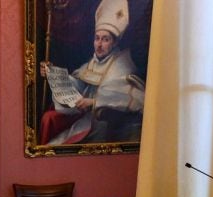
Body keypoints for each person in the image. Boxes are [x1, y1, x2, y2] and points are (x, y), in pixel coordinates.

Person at [40, 0, 145, 144]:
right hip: (84, 120)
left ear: (114, 43)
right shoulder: (92, 62)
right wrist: (52, 73)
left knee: (61, 144)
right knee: (53, 142)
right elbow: (78, 87)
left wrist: (95, 102)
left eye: (105, 39)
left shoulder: (122, 64)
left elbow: (136, 100)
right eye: (97, 39)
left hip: (101, 125)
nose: (99, 44)